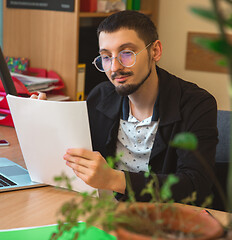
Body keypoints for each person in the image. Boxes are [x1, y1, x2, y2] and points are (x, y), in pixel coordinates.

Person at [31, 10, 218, 205]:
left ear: (155, 51)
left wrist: (113, 179)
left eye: (126, 53)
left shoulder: (197, 104)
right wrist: (46, 116)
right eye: (106, 57)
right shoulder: (100, 96)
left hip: (166, 218)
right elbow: (76, 152)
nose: (114, 67)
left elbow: (196, 184)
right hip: (108, 211)